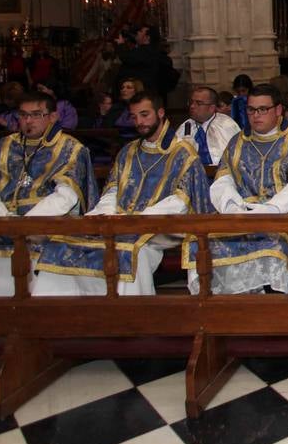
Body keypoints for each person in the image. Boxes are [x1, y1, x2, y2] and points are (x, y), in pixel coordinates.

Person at [35, 92, 211, 295]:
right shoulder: (128, 151)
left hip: (163, 225)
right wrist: (104, 214)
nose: (139, 122)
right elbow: (112, 189)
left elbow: (181, 200)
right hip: (119, 221)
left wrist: (135, 219)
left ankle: (129, 315)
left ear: (160, 113)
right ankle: (63, 314)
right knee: (61, 245)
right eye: (134, 116)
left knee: (128, 252)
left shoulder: (183, 153)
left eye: (145, 115)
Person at [0, 92, 97, 296]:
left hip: (45, 226)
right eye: (23, 115)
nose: (28, 121)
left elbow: (67, 195)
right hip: (2, 222)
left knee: (54, 248)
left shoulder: (71, 149)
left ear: (52, 117)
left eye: (36, 114)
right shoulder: (5, 145)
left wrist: (26, 224)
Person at [189, 84, 288, 294]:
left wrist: (271, 209)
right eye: (251, 110)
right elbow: (223, 178)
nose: (256, 115)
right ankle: (223, 311)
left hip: (284, 218)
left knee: (273, 246)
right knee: (202, 244)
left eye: (263, 109)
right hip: (242, 216)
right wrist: (232, 206)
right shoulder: (238, 142)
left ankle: (271, 308)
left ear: (278, 110)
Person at [175, 86, 242, 167]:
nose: (192, 106)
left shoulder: (226, 124)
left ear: (212, 108)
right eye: (191, 102)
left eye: (198, 103)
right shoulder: (185, 126)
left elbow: (237, 157)